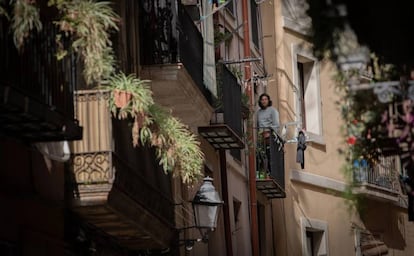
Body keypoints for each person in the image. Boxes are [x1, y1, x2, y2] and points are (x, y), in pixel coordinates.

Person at [256, 93, 281, 177]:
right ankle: (263, 172)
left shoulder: (273, 110)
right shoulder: (258, 112)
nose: (264, 101)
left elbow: (276, 125)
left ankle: (270, 173)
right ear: (260, 101)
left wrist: (269, 133)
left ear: (268, 100)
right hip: (260, 137)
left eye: (265, 99)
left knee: (269, 155)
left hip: (269, 136)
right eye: (262, 99)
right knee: (260, 155)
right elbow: (257, 125)